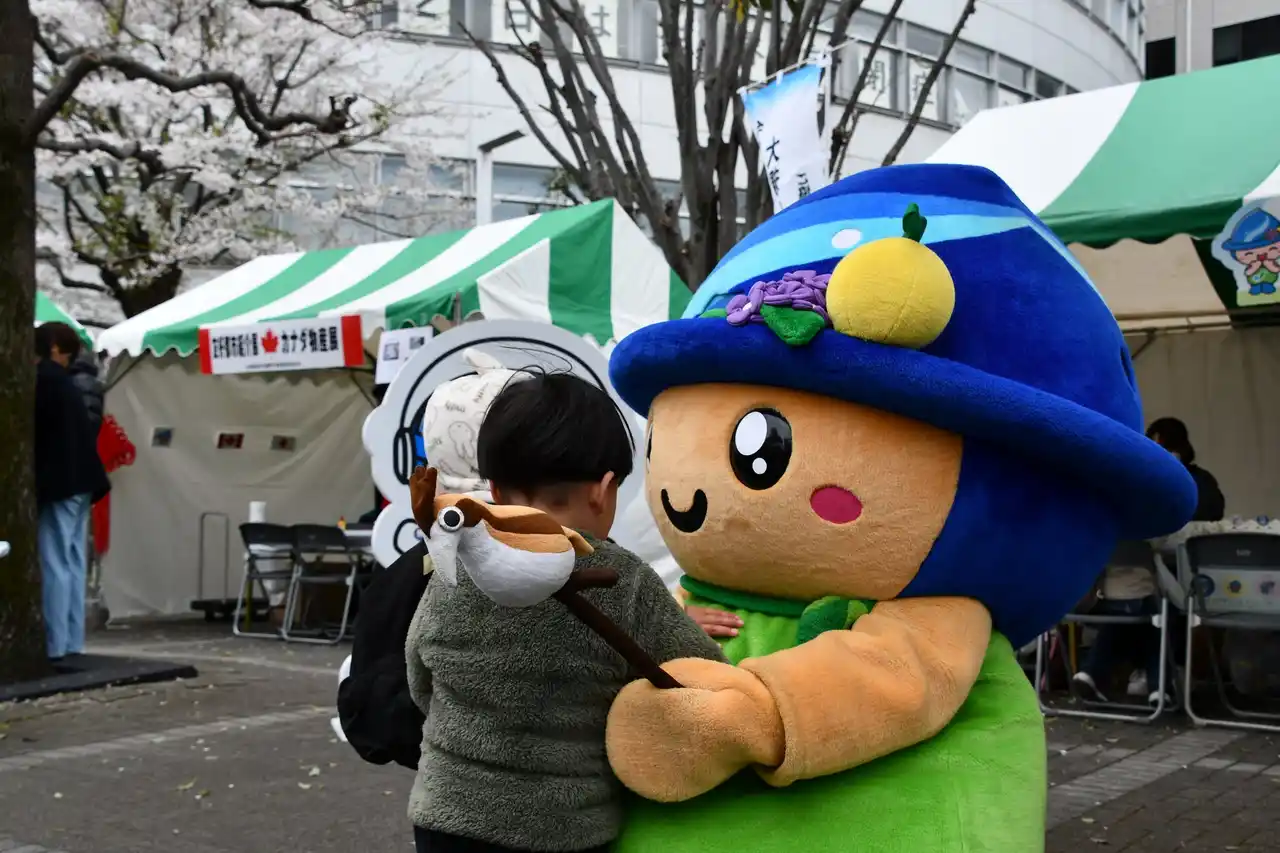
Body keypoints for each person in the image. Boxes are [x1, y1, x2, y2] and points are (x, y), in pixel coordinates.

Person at [405, 371, 727, 853]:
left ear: (494, 488)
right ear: (604, 488)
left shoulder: (457, 563)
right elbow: (701, 680)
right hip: (566, 828)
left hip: (447, 813)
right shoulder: (623, 578)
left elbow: (419, 675)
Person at [1073, 417, 1225, 705]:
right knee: (1159, 612)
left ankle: (1102, 673)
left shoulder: (1194, 483)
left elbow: (1208, 511)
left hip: (1105, 594)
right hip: (1140, 588)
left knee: (1141, 611)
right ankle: (1158, 683)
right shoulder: (1140, 488)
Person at [34, 321, 111, 663]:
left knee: (55, 561)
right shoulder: (75, 384)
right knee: (73, 561)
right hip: (84, 480)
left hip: (61, 482)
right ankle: (71, 640)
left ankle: (56, 643)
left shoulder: (45, 381)